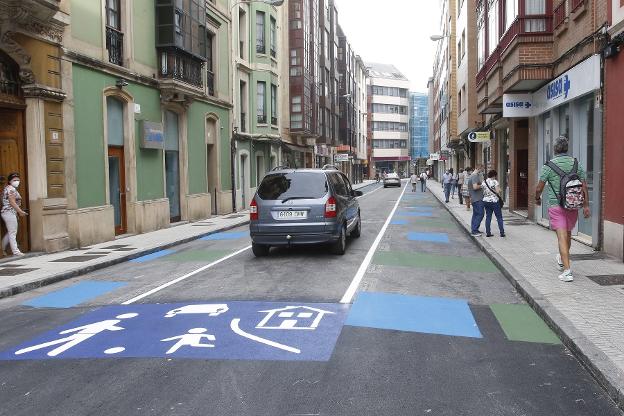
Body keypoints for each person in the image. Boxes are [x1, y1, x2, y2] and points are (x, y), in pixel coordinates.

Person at [535, 136, 590, 282]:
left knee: (561, 237)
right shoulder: (576, 164)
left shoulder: (548, 165)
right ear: (567, 148)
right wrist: (586, 205)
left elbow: (539, 187)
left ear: (554, 149)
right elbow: (584, 186)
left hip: (556, 205)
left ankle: (567, 271)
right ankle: (562, 258)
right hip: (573, 205)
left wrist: (537, 198)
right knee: (568, 235)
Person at [2, 172, 27, 256]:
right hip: (9, 212)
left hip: (9, 212)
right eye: (14, 180)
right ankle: (15, 251)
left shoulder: (10, 188)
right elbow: (12, 202)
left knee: (11, 232)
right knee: (12, 232)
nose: (17, 181)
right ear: (9, 181)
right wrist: (20, 211)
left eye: (18, 180)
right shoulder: (11, 189)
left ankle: (2, 249)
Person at [483, 170, 506, 238]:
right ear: (494, 175)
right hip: (494, 201)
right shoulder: (495, 181)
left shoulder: (484, 182)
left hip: (486, 201)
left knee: (488, 217)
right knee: (499, 217)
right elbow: (498, 191)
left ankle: (488, 232)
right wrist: (500, 189)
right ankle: (502, 232)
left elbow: (482, 190)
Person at [467, 165, 485, 236]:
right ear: (478, 168)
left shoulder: (474, 175)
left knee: (475, 214)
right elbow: (475, 187)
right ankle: (474, 231)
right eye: (482, 169)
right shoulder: (474, 176)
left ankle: (475, 229)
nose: (482, 171)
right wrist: (482, 185)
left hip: (475, 198)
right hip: (477, 199)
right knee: (480, 214)